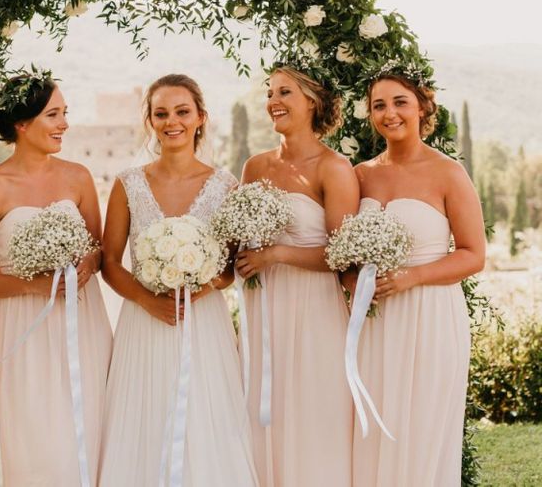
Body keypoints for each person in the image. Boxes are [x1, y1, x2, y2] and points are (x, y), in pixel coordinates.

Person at [99, 73, 258, 486]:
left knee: (208, 423)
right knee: (143, 419)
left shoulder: (225, 185)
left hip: (203, 322)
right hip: (143, 320)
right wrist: (148, 301)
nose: (173, 121)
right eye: (161, 113)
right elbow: (110, 263)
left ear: (201, 117)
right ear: (150, 121)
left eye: (183, 112)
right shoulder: (128, 183)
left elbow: (228, 268)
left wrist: (199, 290)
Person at [0, 71, 112, 487]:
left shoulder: (78, 176)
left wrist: (89, 262)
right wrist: (32, 285)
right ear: (22, 124)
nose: (64, 123)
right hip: (26, 328)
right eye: (53, 115)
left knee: (93, 418)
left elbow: (98, 248)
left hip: (84, 320)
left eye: (65, 113)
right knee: (38, 434)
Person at [347, 64, 485, 487]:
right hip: (373, 321)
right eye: (379, 105)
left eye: (400, 102)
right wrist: (353, 282)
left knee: (421, 428)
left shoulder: (448, 173)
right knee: (372, 425)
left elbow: (473, 255)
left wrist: (411, 276)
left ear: (423, 107)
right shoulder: (361, 174)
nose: (390, 113)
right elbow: (345, 250)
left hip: (430, 315)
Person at [234, 62, 357, 487]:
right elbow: (240, 237)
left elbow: (344, 255)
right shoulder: (254, 166)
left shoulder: (334, 168)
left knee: (312, 408)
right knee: (262, 410)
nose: (273, 102)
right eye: (270, 93)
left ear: (313, 100)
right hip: (264, 305)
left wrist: (280, 254)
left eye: (284, 92)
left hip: (314, 310)